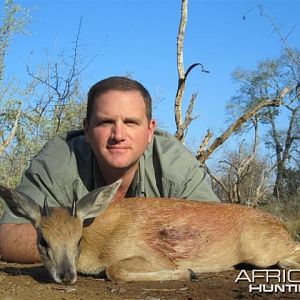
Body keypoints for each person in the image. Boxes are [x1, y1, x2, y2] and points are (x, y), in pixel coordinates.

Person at [0, 76, 219, 263]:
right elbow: (9, 236)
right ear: (86, 129)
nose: (118, 135)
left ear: (150, 130)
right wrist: (107, 247)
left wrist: (65, 236)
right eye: (105, 122)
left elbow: (217, 228)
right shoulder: (58, 160)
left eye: (131, 122)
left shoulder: (174, 164)